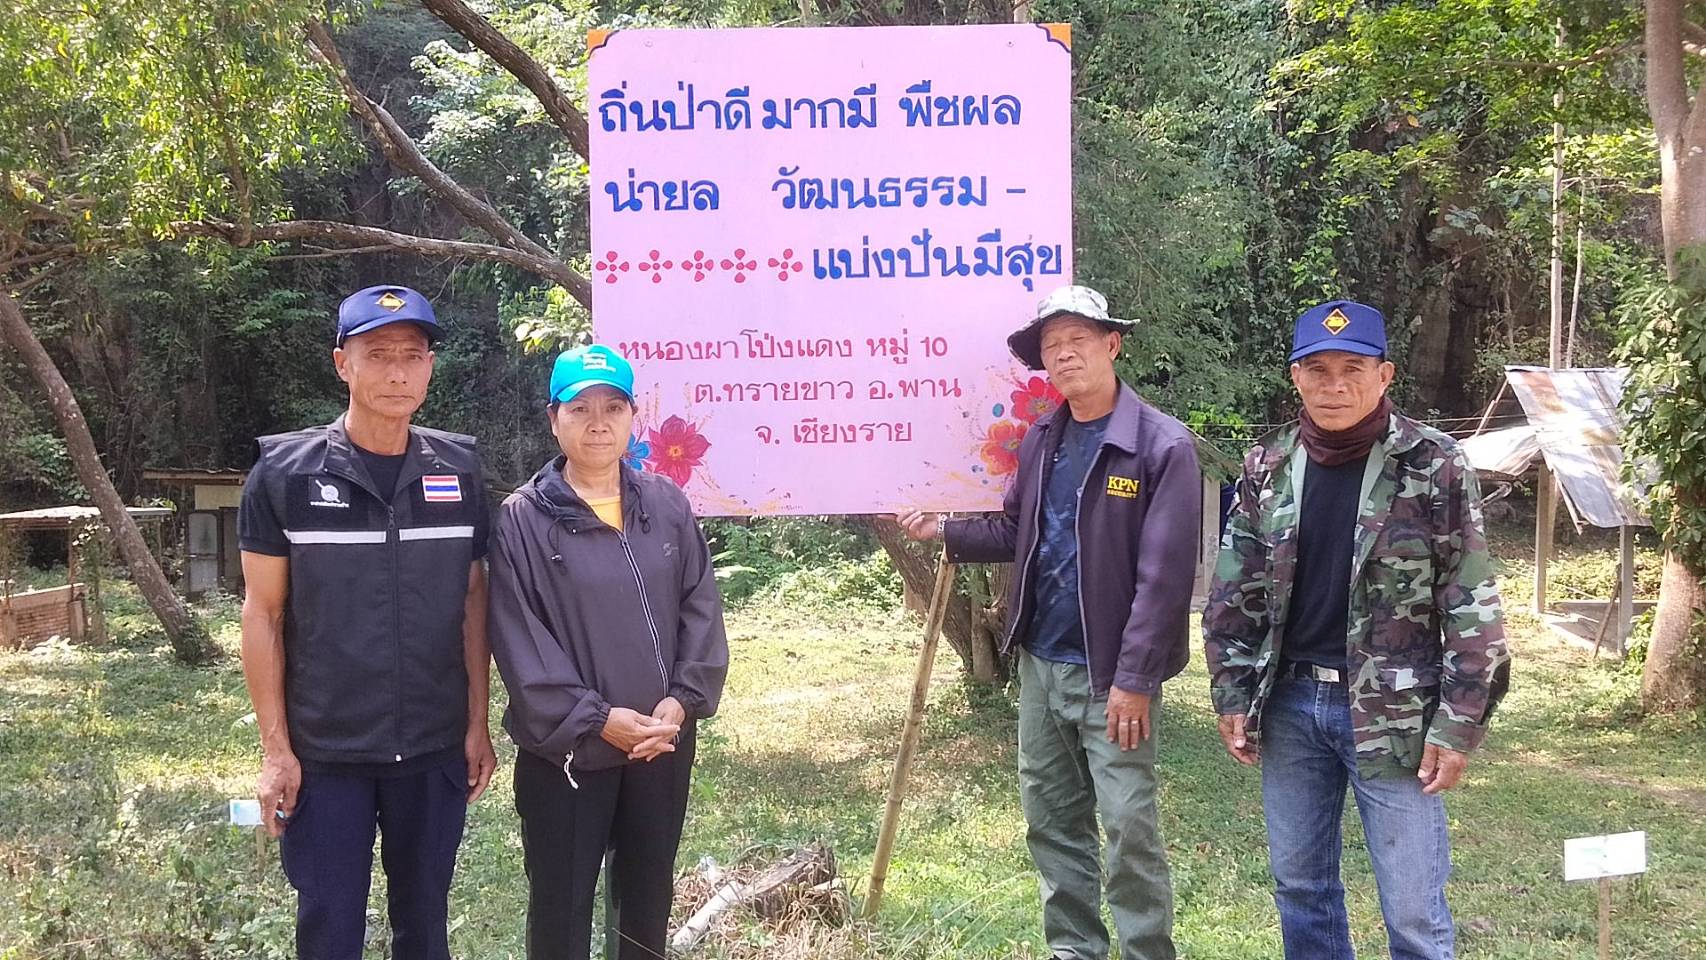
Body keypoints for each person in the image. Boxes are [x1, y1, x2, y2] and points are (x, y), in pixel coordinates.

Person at [898, 284, 1200, 960]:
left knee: (1128, 828)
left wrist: (1134, 680)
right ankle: (1075, 950)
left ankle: (1147, 951)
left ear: (1112, 344)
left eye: (1078, 340)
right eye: (1052, 346)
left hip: (1111, 677)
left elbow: (1164, 579)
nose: (1064, 355)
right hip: (1041, 664)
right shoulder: (1043, 438)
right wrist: (941, 528)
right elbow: (1017, 529)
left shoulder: (1160, 446)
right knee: (1052, 823)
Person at [1202, 300, 1512, 960]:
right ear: (1295, 377)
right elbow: (1235, 586)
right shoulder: (1268, 465)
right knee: (1301, 888)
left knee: (1412, 907)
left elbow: (1471, 600)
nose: (1335, 385)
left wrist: (1459, 723)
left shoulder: (1433, 463)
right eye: (1318, 369)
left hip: (1393, 710)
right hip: (1290, 703)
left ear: (1384, 375)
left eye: (1353, 368)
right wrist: (1231, 691)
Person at [238, 284, 497, 960]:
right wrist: (276, 751)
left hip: (433, 746)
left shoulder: (459, 470)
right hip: (327, 754)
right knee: (329, 930)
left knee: (425, 926)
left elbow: (473, 600)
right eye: (377, 354)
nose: (396, 373)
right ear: (341, 364)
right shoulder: (285, 474)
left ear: (430, 368)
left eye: (412, 356)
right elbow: (262, 613)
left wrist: (477, 722)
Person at [486, 343, 729, 960]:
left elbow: (700, 607)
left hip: (659, 744)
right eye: (580, 408)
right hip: (569, 754)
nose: (598, 423)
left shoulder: (665, 505)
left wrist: (682, 700)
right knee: (560, 909)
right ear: (554, 419)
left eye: (613, 408)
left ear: (632, 417)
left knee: (646, 901)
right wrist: (597, 719)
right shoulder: (522, 520)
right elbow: (520, 639)